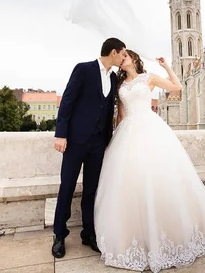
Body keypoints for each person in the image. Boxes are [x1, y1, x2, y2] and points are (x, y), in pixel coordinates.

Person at [94, 50, 205, 272]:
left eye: (125, 56)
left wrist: (167, 67)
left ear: (133, 59)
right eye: (120, 57)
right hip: (128, 132)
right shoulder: (119, 84)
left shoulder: (149, 78)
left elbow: (177, 88)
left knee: (162, 176)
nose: (122, 60)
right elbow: (121, 115)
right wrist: (113, 138)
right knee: (129, 182)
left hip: (151, 129)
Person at [52, 38, 127, 258]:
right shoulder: (83, 69)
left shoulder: (113, 78)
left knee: (92, 190)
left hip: (97, 143)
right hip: (75, 140)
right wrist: (61, 134)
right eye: (122, 54)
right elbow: (67, 101)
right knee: (67, 186)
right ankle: (59, 235)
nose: (123, 58)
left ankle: (89, 233)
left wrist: (107, 140)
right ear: (113, 52)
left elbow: (108, 111)